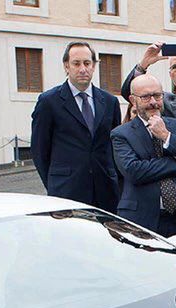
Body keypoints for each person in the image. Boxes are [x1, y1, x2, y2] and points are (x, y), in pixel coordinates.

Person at [111, 75, 176, 239]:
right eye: (146, 97)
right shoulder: (121, 134)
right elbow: (134, 171)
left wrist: (167, 136)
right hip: (142, 220)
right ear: (133, 100)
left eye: (157, 95)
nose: (153, 101)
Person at [31, 41, 121, 212]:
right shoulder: (49, 101)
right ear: (66, 66)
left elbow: (115, 146)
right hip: (66, 192)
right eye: (76, 63)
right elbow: (39, 150)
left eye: (87, 63)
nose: (82, 69)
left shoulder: (110, 102)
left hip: (106, 192)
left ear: (94, 66)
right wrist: (54, 182)